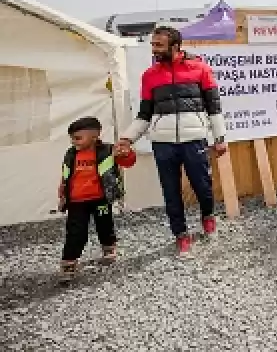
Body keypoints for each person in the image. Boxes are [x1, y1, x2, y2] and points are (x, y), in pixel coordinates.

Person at [117, 26, 227, 257]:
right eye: (152, 44)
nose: (154, 49)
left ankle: (208, 217)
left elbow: (214, 108)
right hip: (163, 143)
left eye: (159, 45)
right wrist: (127, 138)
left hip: (194, 140)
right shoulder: (149, 75)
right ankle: (181, 234)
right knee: (170, 191)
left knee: (203, 186)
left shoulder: (201, 69)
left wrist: (219, 138)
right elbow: (144, 116)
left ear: (175, 46)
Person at [59, 117, 136, 282]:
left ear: (95, 136)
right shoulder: (70, 154)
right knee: (75, 231)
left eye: (78, 138)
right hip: (76, 202)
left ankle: (109, 248)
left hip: (101, 198)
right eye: (72, 138)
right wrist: (62, 194)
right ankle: (69, 262)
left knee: (105, 224)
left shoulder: (108, 150)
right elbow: (66, 175)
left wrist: (127, 153)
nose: (74, 141)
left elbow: (128, 162)